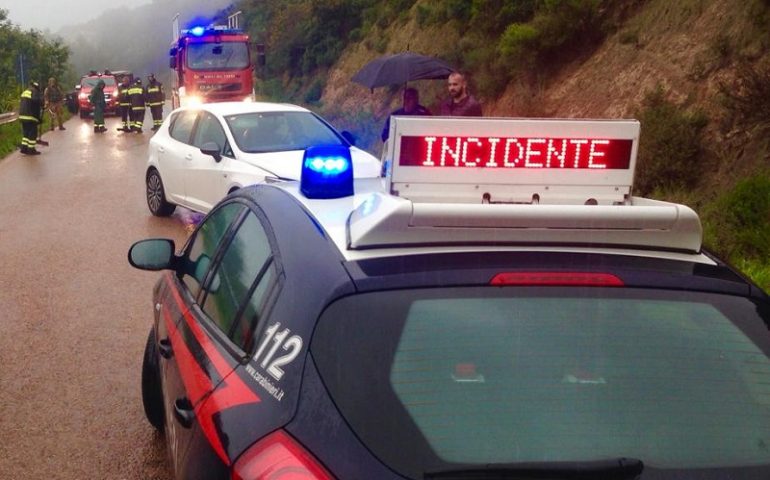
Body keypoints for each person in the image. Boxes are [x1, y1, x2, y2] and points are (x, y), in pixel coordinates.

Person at [18, 80, 43, 155]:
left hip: (22, 116)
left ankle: (24, 148)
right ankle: (31, 150)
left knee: (26, 133)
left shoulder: (25, 91)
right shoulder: (35, 92)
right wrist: (41, 102)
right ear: (37, 87)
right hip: (30, 116)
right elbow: (36, 103)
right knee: (33, 133)